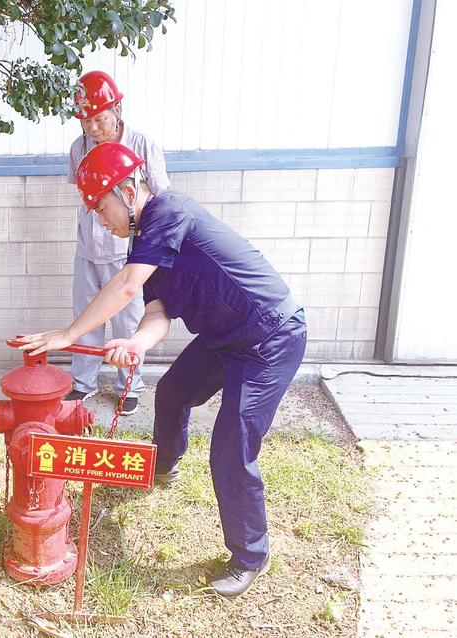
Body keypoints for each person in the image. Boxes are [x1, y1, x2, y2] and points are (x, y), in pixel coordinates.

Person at [20, 142, 307, 598]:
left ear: (129, 189)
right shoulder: (147, 244)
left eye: (101, 206)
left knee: (231, 448)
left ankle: (252, 555)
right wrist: (135, 343)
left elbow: (126, 284)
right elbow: (157, 312)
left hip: (269, 337)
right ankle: (165, 467)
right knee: (172, 392)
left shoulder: (168, 210)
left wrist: (68, 334)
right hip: (224, 337)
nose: (99, 219)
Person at [65, 70, 170, 415]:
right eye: (86, 120)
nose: (93, 127)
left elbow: (162, 197)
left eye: (100, 118)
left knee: (129, 322)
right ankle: (83, 384)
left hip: (127, 252)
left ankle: (130, 385)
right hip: (88, 248)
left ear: (117, 109)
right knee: (86, 317)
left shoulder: (142, 145)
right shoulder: (78, 148)